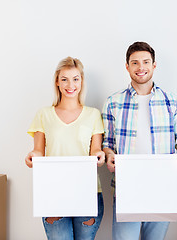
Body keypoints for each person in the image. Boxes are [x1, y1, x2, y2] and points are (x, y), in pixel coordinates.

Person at [102, 41, 177, 240]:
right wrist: (109, 157)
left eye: (145, 62)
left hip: (162, 187)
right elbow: (107, 144)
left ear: (154, 65)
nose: (140, 67)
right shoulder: (113, 102)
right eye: (135, 63)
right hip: (127, 187)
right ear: (127, 67)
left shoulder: (171, 101)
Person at [25, 57, 105, 240]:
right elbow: (38, 151)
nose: (71, 85)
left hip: (88, 191)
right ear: (57, 82)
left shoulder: (93, 115)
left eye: (76, 79)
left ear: (82, 81)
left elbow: (96, 150)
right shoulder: (44, 114)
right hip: (54, 192)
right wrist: (32, 156)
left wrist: (99, 156)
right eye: (64, 79)